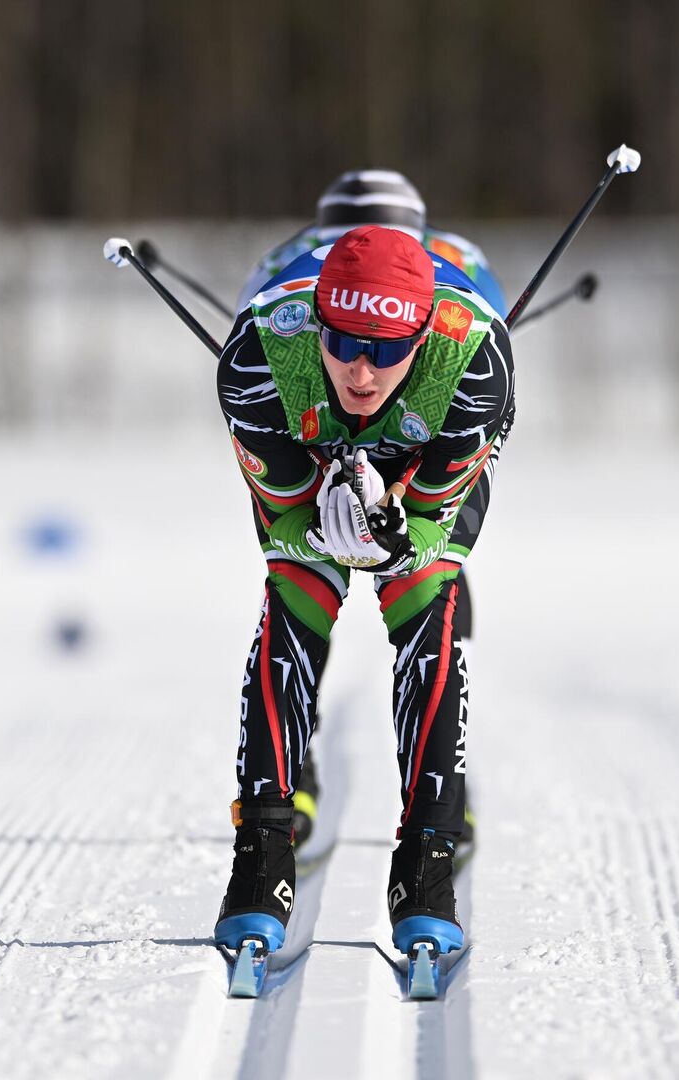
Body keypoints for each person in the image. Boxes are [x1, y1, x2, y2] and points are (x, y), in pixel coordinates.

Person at [212, 225, 515, 959]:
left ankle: (428, 855)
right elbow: (285, 499)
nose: (362, 372)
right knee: (297, 595)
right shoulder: (255, 358)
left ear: (420, 336)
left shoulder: (474, 362)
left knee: (422, 597)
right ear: (316, 321)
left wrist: (394, 520)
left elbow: (436, 506)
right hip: (303, 444)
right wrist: (328, 500)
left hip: (426, 451)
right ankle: (262, 850)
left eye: (385, 349)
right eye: (344, 343)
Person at [241, 171, 500, 855]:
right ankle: (304, 771)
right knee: (307, 572)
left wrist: (408, 520)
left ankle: (425, 778)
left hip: (416, 423)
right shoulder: (289, 268)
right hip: (321, 419)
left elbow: (487, 356)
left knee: (428, 570)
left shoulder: (456, 264)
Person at [234, 169, 509, 318]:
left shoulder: (458, 258)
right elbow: (249, 311)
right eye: (347, 251)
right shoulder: (284, 260)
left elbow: (494, 316)